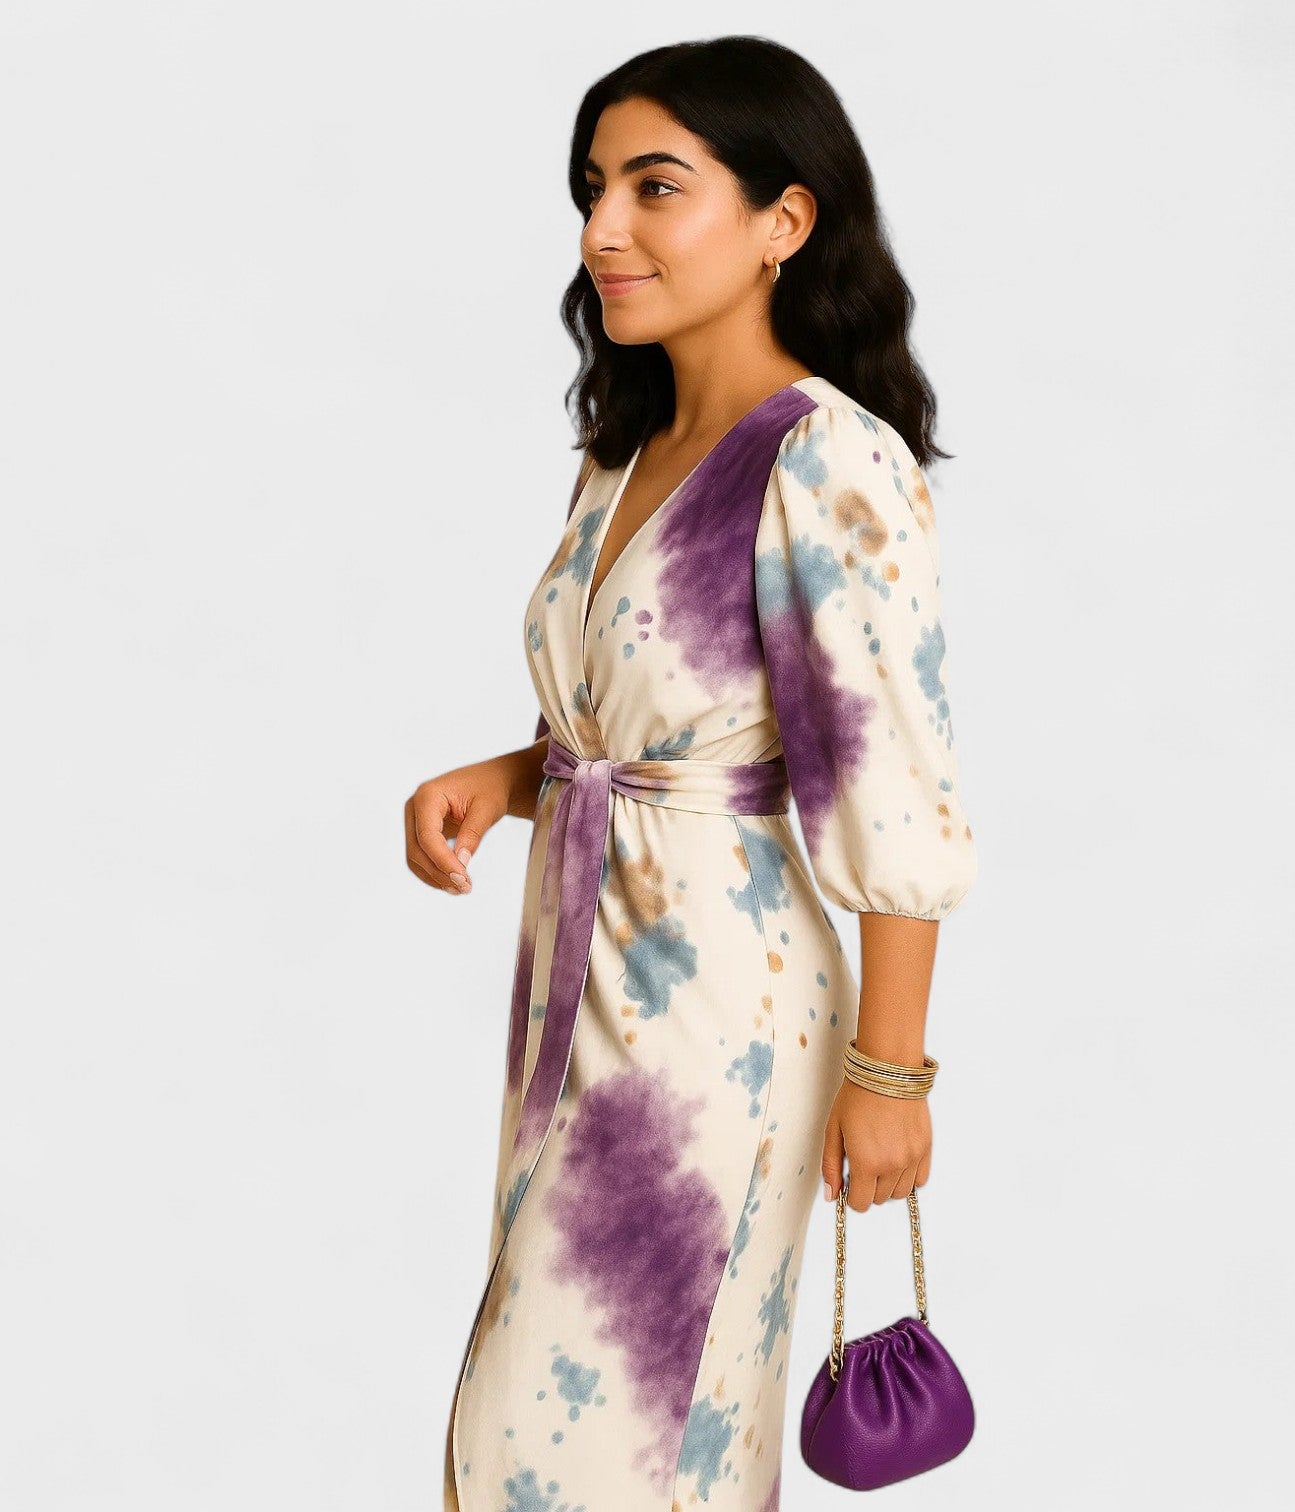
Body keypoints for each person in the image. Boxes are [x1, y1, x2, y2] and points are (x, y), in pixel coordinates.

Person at [404, 36, 978, 1512]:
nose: (604, 229)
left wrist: (891, 1075)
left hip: (718, 1014)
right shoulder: (625, 449)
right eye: (592, 189)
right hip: (576, 973)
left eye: (656, 188)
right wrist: (515, 775)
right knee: (551, 1431)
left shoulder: (828, 461)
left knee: (609, 1437)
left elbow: (891, 783)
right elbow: (674, 716)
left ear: (785, 220)